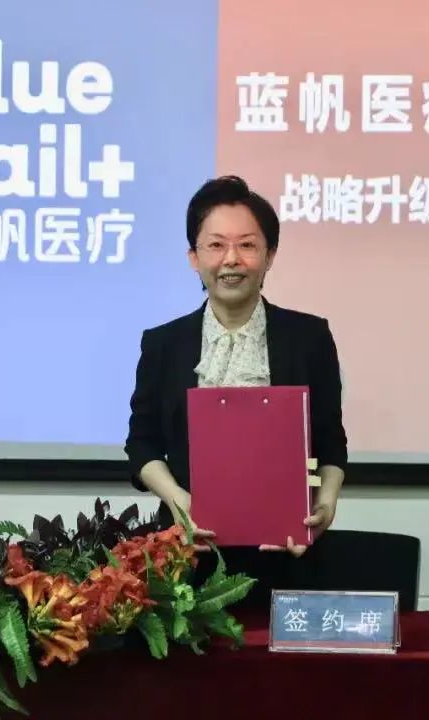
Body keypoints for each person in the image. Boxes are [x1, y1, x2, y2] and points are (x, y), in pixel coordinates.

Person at [124, 175, 348, 566]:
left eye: (247, 245)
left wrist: (325, 506)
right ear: (194, 257)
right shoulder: (163, 344)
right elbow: (142, 443)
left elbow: (331, 441)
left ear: (270, 255)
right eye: (216, 245)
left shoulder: (309, 337)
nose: (231, 259)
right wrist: (179, 503)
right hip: (185, 551)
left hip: (285, 550)